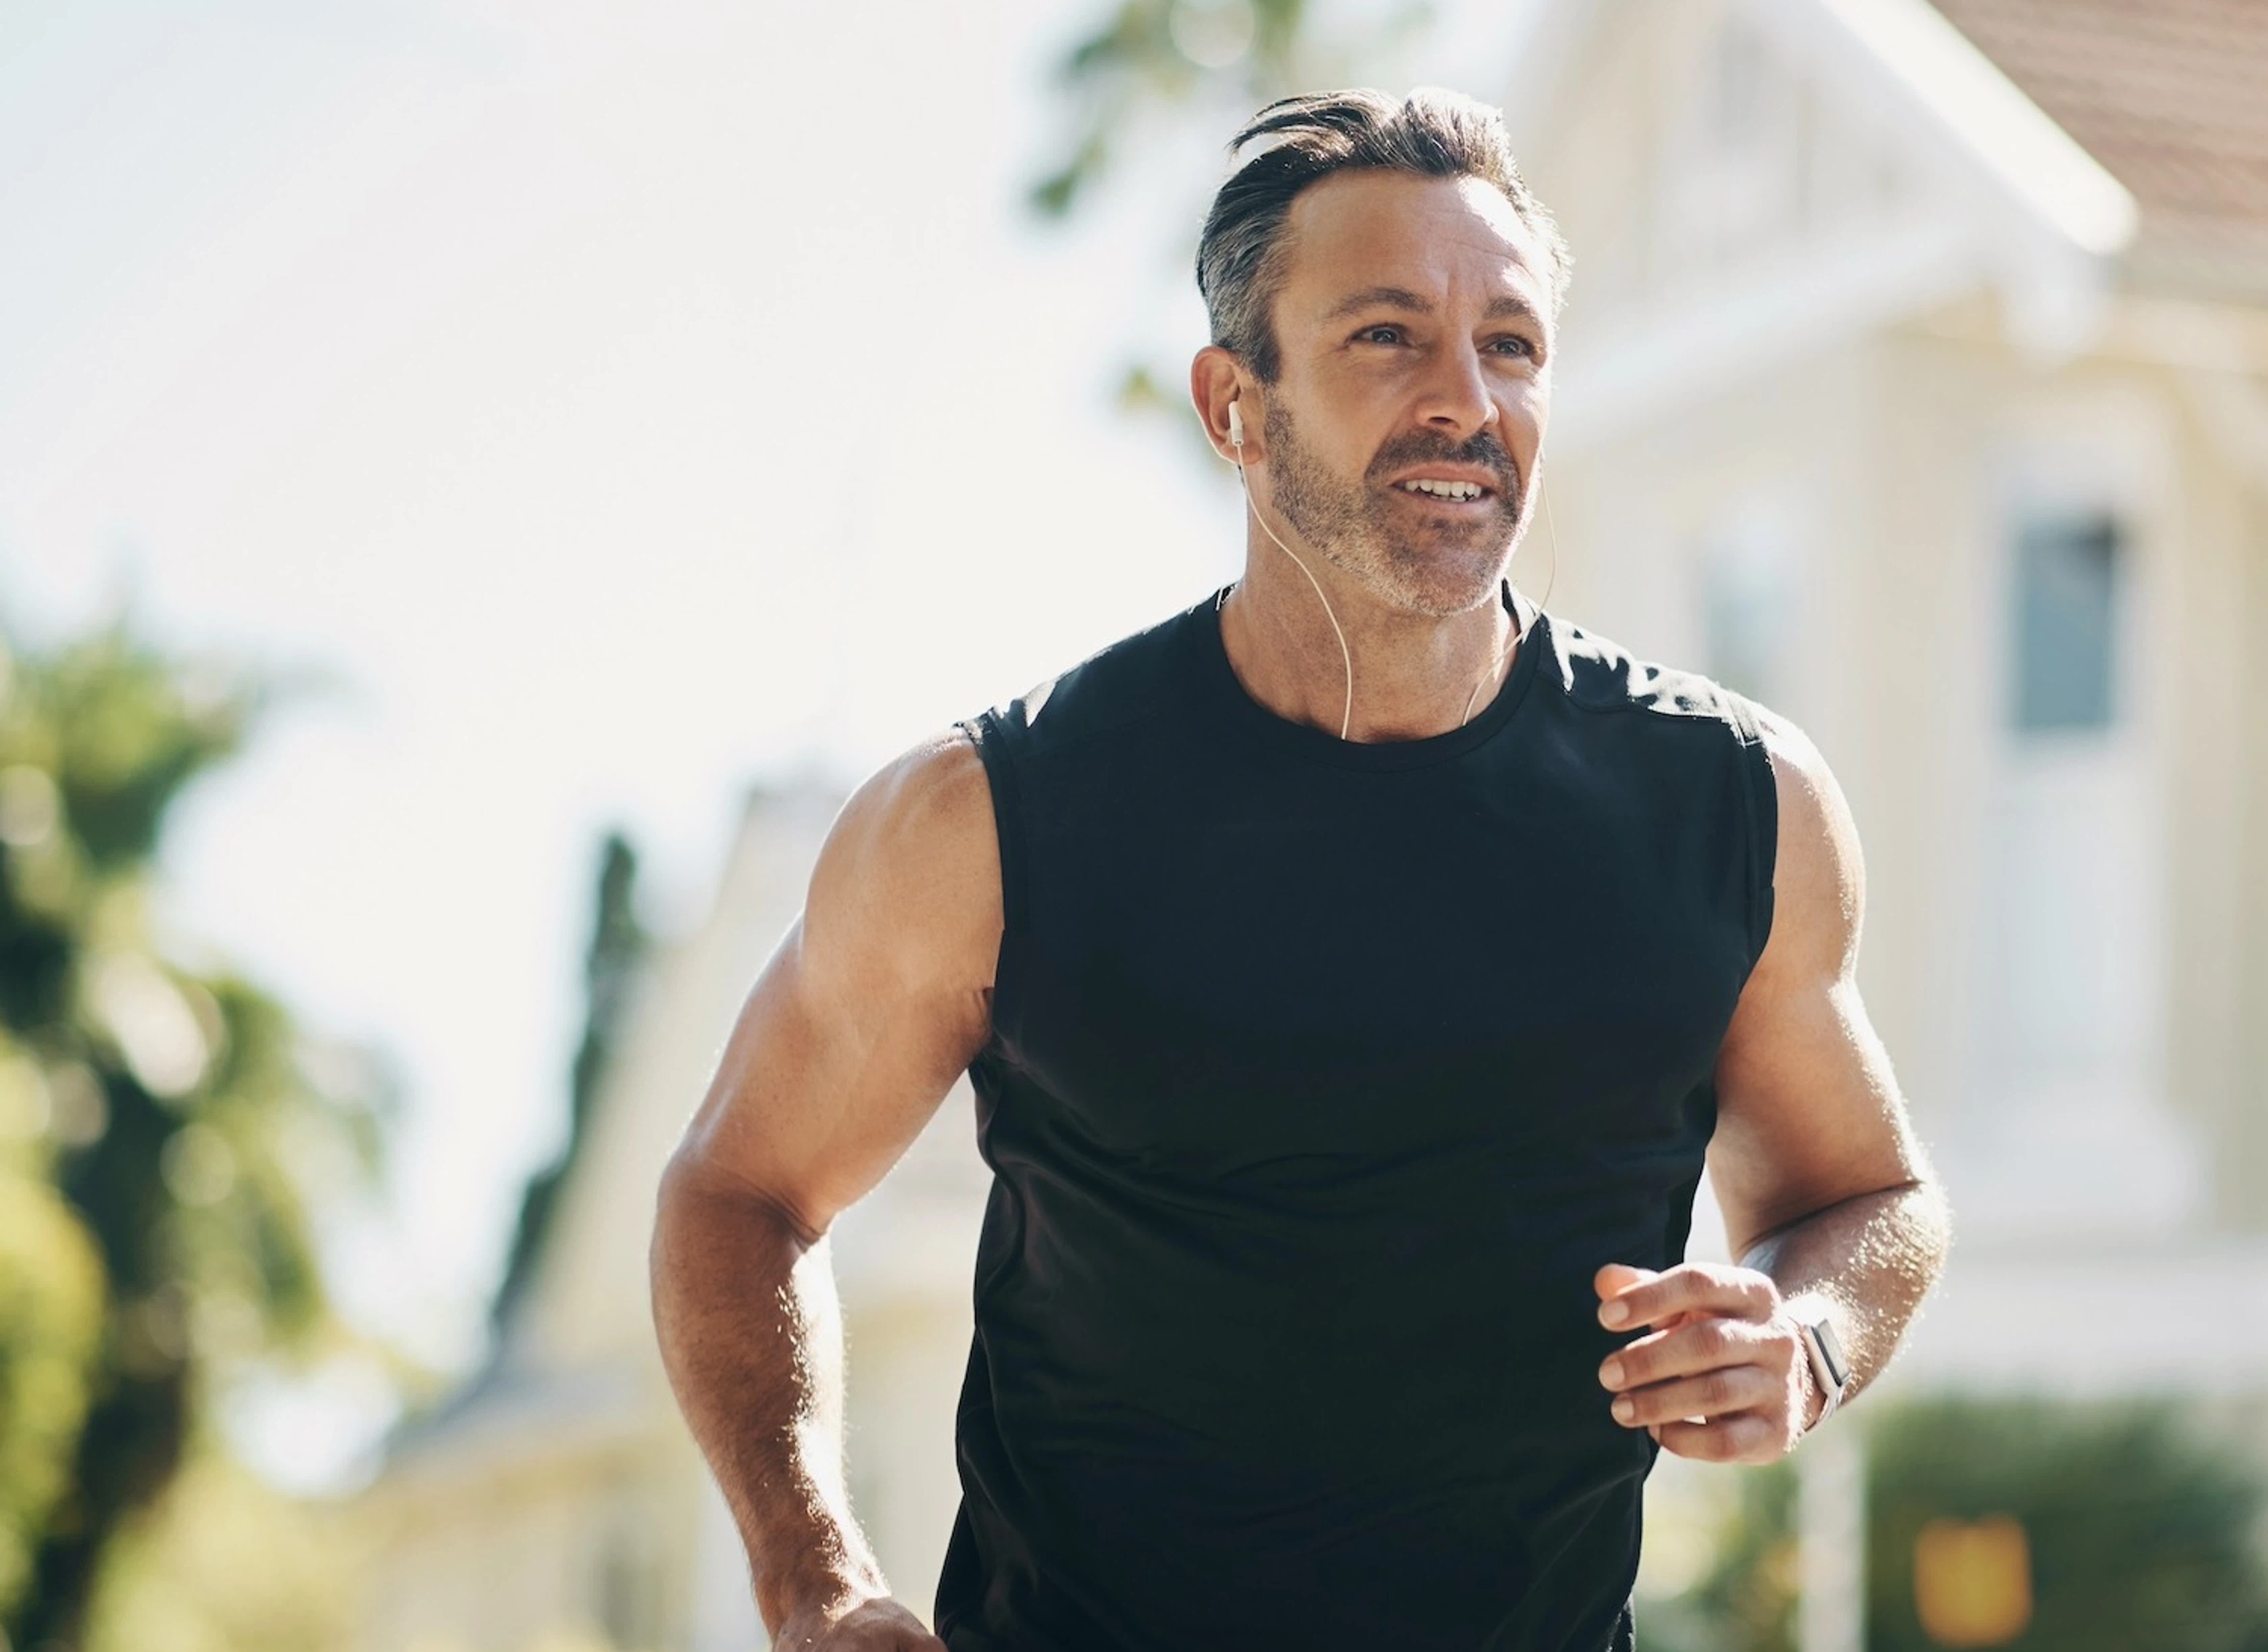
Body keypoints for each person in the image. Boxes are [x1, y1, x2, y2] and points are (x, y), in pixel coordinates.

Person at [650, 87, 1948, 1652]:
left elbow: (1868, 1194)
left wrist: (1805, 1338)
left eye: (1513, 345)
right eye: (1387, 336)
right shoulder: (992, 818)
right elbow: (737, 1190)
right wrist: (815, 1581)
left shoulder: (1731, 806)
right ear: (1233, 404)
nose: (1466, 400)